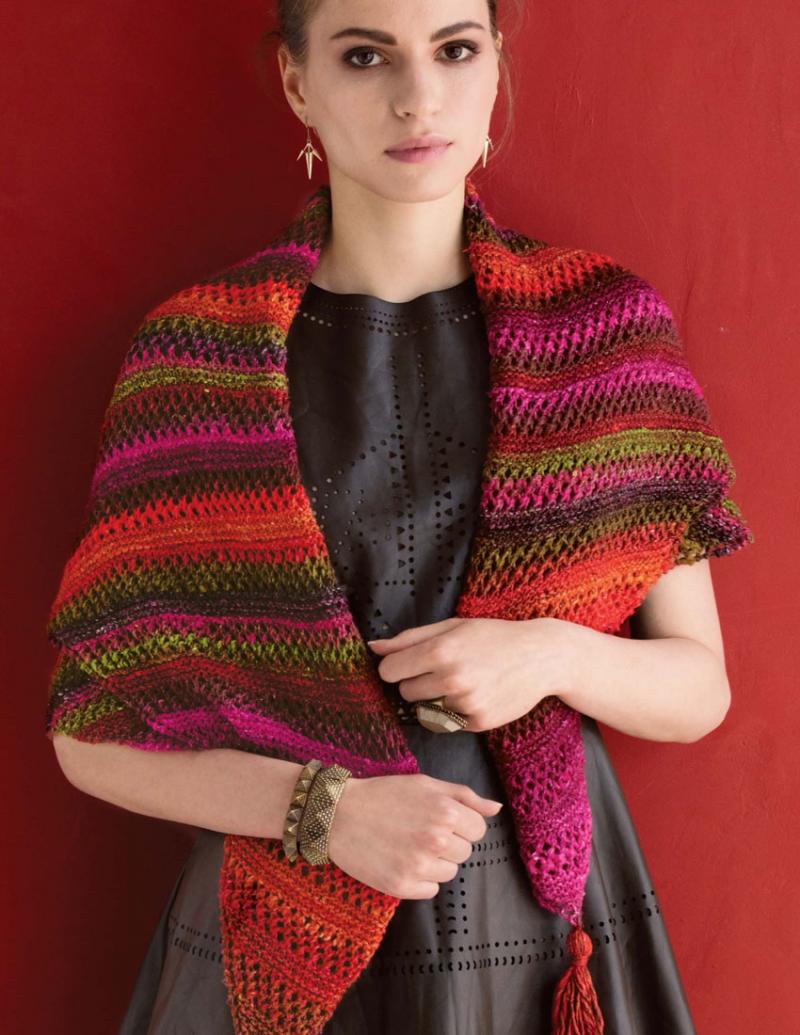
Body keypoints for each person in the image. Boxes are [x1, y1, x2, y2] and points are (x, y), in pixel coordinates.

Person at [48, 2, 752, 1032]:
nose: (418, 97)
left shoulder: (602, 335)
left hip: (531, 927)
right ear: (298, 84)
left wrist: (547, 654)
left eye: (454, 50)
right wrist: (324, 813)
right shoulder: (193, 360)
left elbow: (696, 689)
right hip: (276, 927)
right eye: (365, 56)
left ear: (494, 65)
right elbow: (90, 734)